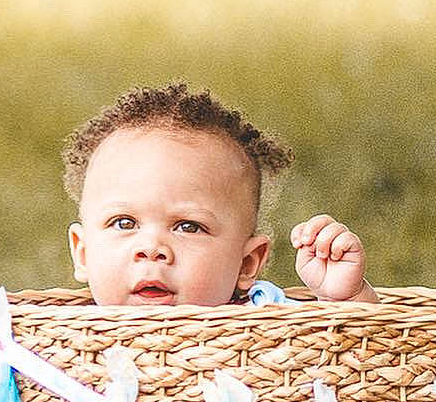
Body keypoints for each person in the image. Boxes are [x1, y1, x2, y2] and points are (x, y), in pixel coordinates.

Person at [62, 82, 378, 307]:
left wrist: (346, 299)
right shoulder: (56, 345)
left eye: (188, 226)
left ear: (247, 264)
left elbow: (358, 360)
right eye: (124, 223)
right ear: (83, 253)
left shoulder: (267, 323)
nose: (152, 248)